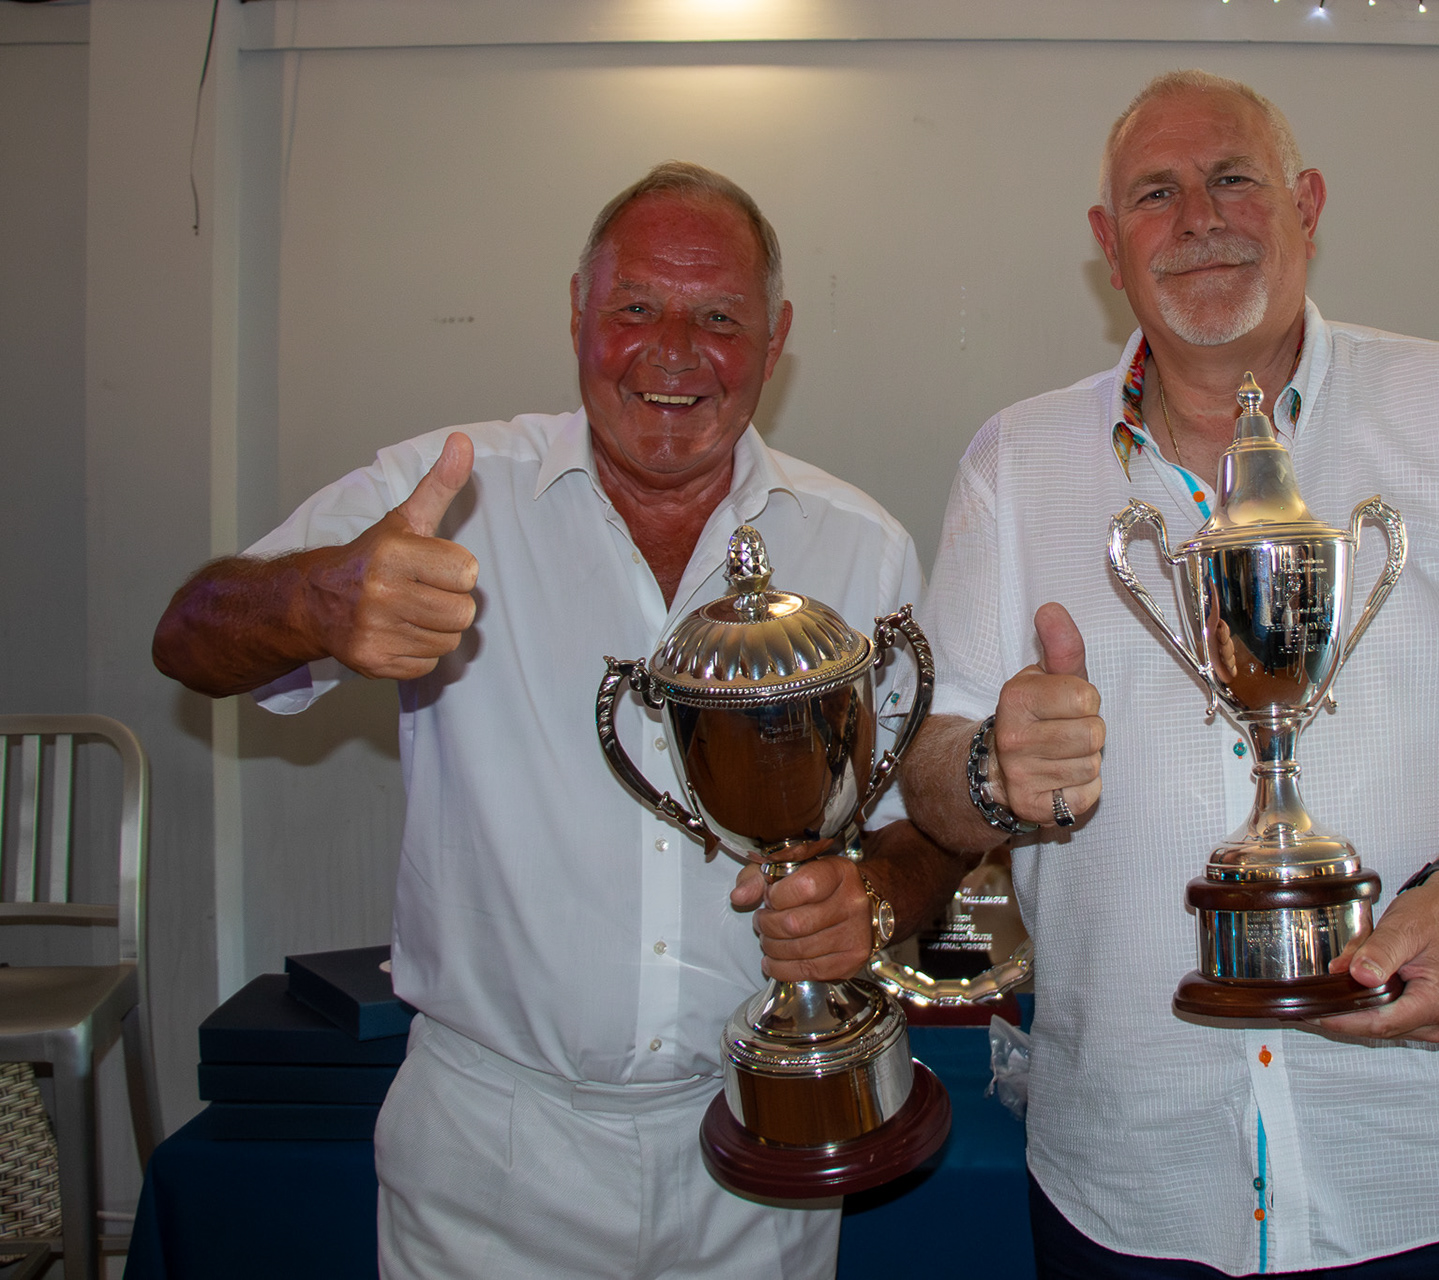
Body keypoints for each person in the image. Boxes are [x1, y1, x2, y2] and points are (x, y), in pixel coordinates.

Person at [152, 162, 967, 1280]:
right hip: (491, 1151)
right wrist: (315, 597)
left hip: (760, 1138)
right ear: (577, 312)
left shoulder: (860, 545)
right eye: (635, 306)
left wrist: (873, 900)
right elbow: (189, 634)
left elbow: (919, 830)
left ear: (775, 343)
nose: (673, 350)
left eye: (718, 317)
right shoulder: (448, 493)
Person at [900, 71, 1439, 1278]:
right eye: (1156, 191)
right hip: (1127, 1172)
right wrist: (992, 768)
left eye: (1233, 176)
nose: (1199, 216)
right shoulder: (1015, 460)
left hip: (1410, 1152)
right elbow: (932, 778)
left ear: (1304, 203)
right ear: (1109, 244)